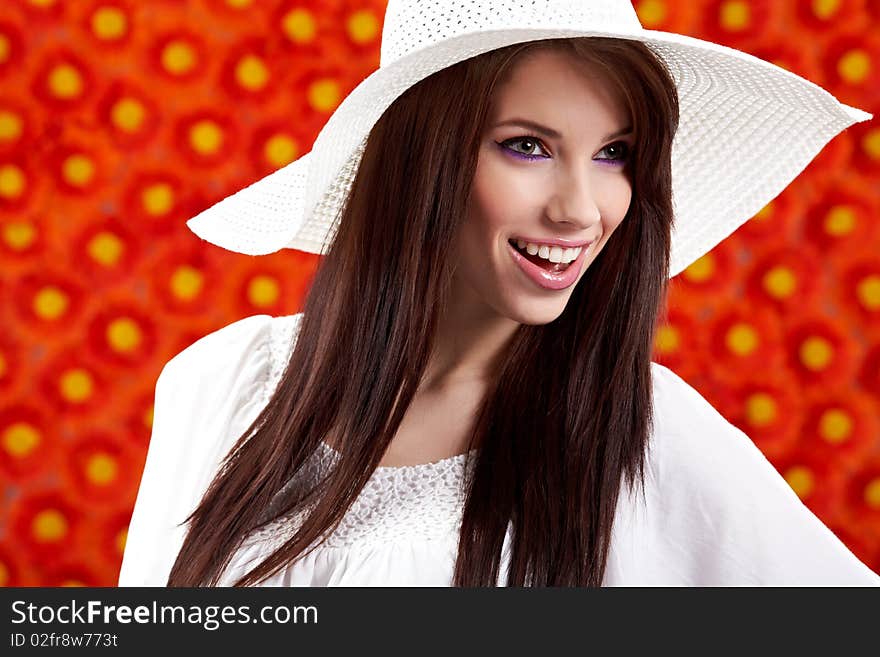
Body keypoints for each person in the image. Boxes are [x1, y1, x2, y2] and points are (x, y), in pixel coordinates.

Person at [117, 0, 880, 586]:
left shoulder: (641, 429)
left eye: (615, 154)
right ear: (422, 160)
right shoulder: (219, 383)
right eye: (528, 146)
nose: (582, 209)